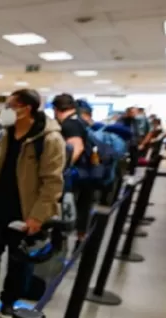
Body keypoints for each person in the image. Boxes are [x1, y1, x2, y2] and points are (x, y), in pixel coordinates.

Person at [0, 89, 65, 318]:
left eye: (10, 105)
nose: (6, 110)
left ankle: (9, 301)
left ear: (26, 108)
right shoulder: (4, 135)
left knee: (18, 260)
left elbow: (53, 183)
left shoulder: (49, 139)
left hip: (25, 209)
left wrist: (38, 216)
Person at [52, 93, 95, 243]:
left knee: (67, 205)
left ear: (56, 109)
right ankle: (80, 235)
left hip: (77, 173)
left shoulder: (69, 124)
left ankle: (61, 238)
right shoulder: (80, 121)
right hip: (87, 171)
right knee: (83, 204)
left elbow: (77, 147)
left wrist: (61, 169)